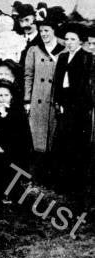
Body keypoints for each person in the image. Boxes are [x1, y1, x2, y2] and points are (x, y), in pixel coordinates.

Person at [51, 22, 94, 200]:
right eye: (67, 39)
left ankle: (76, 184)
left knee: (77, 145)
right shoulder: (62, 58)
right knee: (62, 143)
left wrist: (79, 106)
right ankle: (62, 182)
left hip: (79, 107)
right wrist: (58, 101)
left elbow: (86, 87)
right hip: (64, 105)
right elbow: (58, 83)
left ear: (80, 41)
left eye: (73, 39)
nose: (69, 43)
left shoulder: (87, 58)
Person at [23, 12, 65, 183]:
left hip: (56, 99)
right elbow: (28, 75)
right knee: (37, 138)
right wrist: (27, 100)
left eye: (47, 30)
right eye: (41, 31)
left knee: (54, 138)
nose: (44, 34)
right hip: (38, 100)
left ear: (54, 30)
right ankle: (37, 177)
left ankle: (52, 176)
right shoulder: (34, 50)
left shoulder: (63, 48)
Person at [0, 80, 33, 204]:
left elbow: (18, 133)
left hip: (13, 148)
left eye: (6, 95)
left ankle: (9, 193)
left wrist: (5, 146)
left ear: (11, 96)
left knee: (10, 171)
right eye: (0, 95)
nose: (3, 98)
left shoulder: (17, 111)